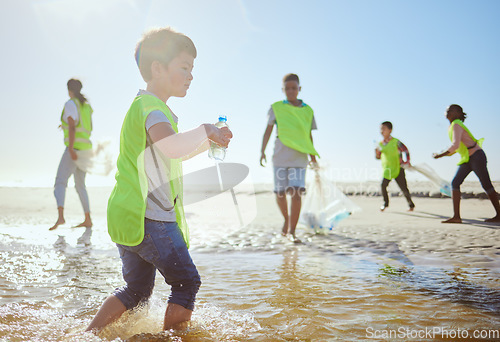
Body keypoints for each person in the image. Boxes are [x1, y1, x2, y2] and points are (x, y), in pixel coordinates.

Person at [85, 27, 232, 333]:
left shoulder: (150, 109)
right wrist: (206, 129)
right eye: (184, 67)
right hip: (150, 218)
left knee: (136, 291)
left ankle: (88, 336)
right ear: (157, 68)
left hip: (128, 215)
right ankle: (172, 339)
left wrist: (209, 142)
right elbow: (172, 146)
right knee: (186, 281)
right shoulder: (151, 108)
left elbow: (172, 153)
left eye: (192, 69)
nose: (190, 76)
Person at [260, 73, 319, 243]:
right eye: (287, 88)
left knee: (296, 193)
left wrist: (313, 157)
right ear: (283, 90)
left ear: (299, 89)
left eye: (294, 88)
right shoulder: (276, 107)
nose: (291, 91)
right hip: (280, 156)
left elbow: (308, 135)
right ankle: (286, 219)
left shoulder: (308, 110)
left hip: (299, 157)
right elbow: (268, 130)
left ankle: (292, 231)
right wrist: (262, 151)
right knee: (280, 193)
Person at [433, 104, 500, 223]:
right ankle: (456, 217)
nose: (447, 112)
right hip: (467, 158)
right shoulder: (453, 126)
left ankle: (499, 215)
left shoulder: (457, 124)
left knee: (486, 184)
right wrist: (442, 154)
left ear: (458, 113)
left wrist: (440, 155)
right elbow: (457, 148)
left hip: (476, 156)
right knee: (455, 183)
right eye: (446, 110)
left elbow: (455, 146)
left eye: (451, 110)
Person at [50, 79, 93, 231]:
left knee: (60, 181)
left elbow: (73, 126)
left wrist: (71, 150)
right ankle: (88, 219)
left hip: (75, 149)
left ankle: (61, 217)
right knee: (81, 185)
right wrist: (65, 126)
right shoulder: (86, 106)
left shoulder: (70, 104)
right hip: (87, 149)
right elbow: (85, 127)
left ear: (69, 90)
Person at [375, 121, 415, 212]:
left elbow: (406, 150)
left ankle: (411, 204)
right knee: (383, 186)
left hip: (398, 168)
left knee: (403, 188)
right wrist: (376, 153)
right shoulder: (380, 144)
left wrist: (407, 161)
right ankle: (385, 203)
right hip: (387, 169)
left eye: (384, 129)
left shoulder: (396, 142)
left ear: (390, 130)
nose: (381, 131)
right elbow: (378, 157)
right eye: (381, 129)